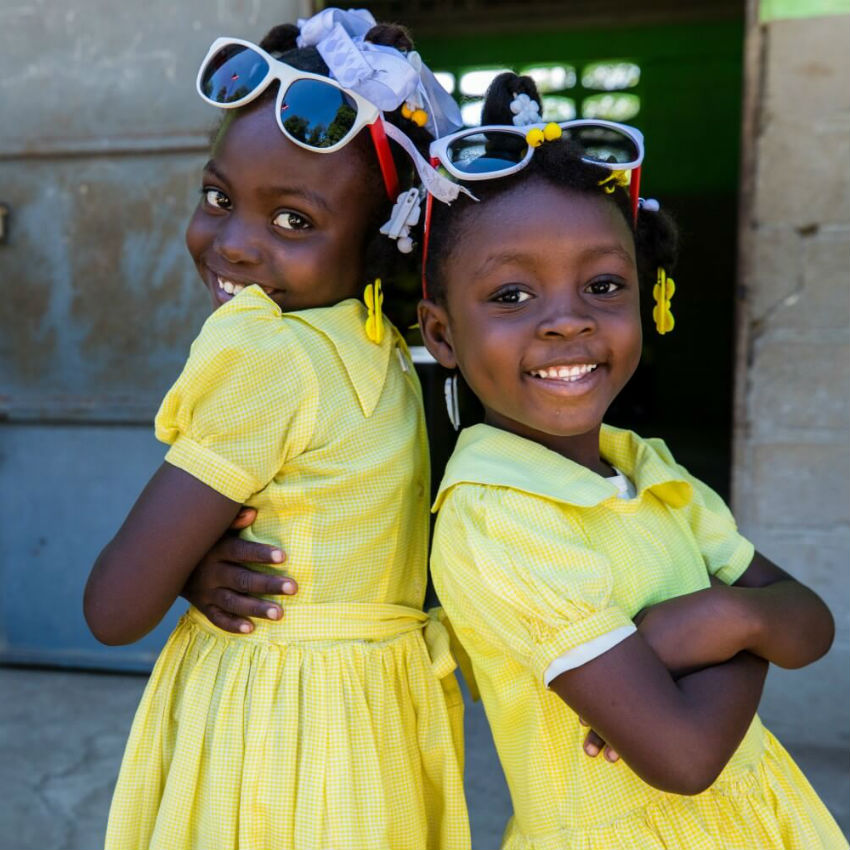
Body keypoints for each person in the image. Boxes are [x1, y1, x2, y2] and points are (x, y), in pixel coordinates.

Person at [415, 71, 847, 849]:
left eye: (603, 284)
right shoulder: (497, 518)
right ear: (441, 334)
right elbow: (681, 755)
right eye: (511, 296)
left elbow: (813, 623)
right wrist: (746, 625)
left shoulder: (646, 466)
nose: (566, 322)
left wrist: (720, 620)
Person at [84, 10, 471, 850]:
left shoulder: (267, 355)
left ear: (379, 243)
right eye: (218, 197)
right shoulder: (393, 358)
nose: (233, 244)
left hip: (271, 725)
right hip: (371, 721)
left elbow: (114, 608)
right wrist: (188, 569)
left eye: (292, 220)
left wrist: (180, 573)